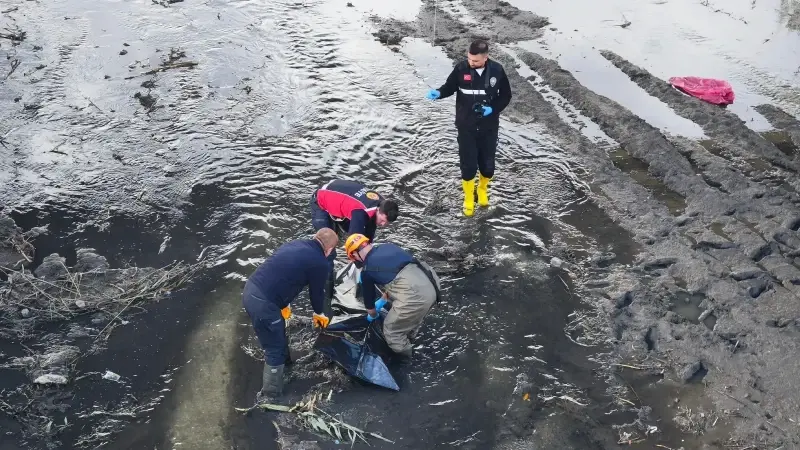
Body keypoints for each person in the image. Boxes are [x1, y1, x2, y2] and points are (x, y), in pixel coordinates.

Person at [242, 228, 338, 399]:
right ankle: (270, 395)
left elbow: (282, 273)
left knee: (277, 334)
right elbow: (316, 293)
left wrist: (284, 304)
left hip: (251, 289)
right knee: (274, 349)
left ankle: (286, 365)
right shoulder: (320, 262)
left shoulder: (295, 244)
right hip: (264, 304)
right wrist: (319, 313)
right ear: (329, 249)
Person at [425, 39, 512, 217]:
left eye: (476, 61)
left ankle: (482, 189)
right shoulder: (461, 69)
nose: (471, 63)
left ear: (485, 58)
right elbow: (449, 87)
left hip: (489, 127)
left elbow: (506, 96)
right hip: (466, 127)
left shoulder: (497, 70)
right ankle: (468, 197)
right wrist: (439, 93)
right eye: (469, 59)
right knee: (468, 166)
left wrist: (492, 109)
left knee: (488, 166)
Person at [343, 233, 441, 359]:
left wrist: (373, 315)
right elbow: (397, 275)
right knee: (412, 318)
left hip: (416, 297)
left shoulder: (367, 271)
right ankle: (410, 338)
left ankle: (408, 360)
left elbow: (370, 308)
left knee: (391, 331)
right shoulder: (388, 246)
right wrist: (383, 299)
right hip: (432, 284)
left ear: (354, 255)